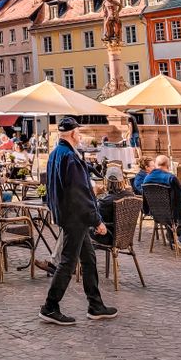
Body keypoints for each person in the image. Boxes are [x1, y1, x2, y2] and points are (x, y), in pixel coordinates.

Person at [40, 117, 117, 326]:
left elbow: (50, 186)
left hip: (68, 215)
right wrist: (97, 221)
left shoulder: (56, 153)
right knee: (68, 262)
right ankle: (50, 306)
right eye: (79, 133)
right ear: (73, 134)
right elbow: (81, 194)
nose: (80, 136)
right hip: (75, 217)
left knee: (89, 259)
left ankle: (95, 304)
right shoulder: (70, 158)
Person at [142, 155, 181, 250]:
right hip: (174, 215)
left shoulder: (147, 179)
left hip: (156, 214)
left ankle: (174, 238)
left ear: (156, 164)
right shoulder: (171, 178)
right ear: (168, 165)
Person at [91, 167, 134, 246]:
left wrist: (95, 193)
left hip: (109, 236)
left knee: (82, 227)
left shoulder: (106, 202)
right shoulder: (131, 196)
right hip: (126, 235)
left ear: (106, 182)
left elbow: (93, 214)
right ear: (122, 181)